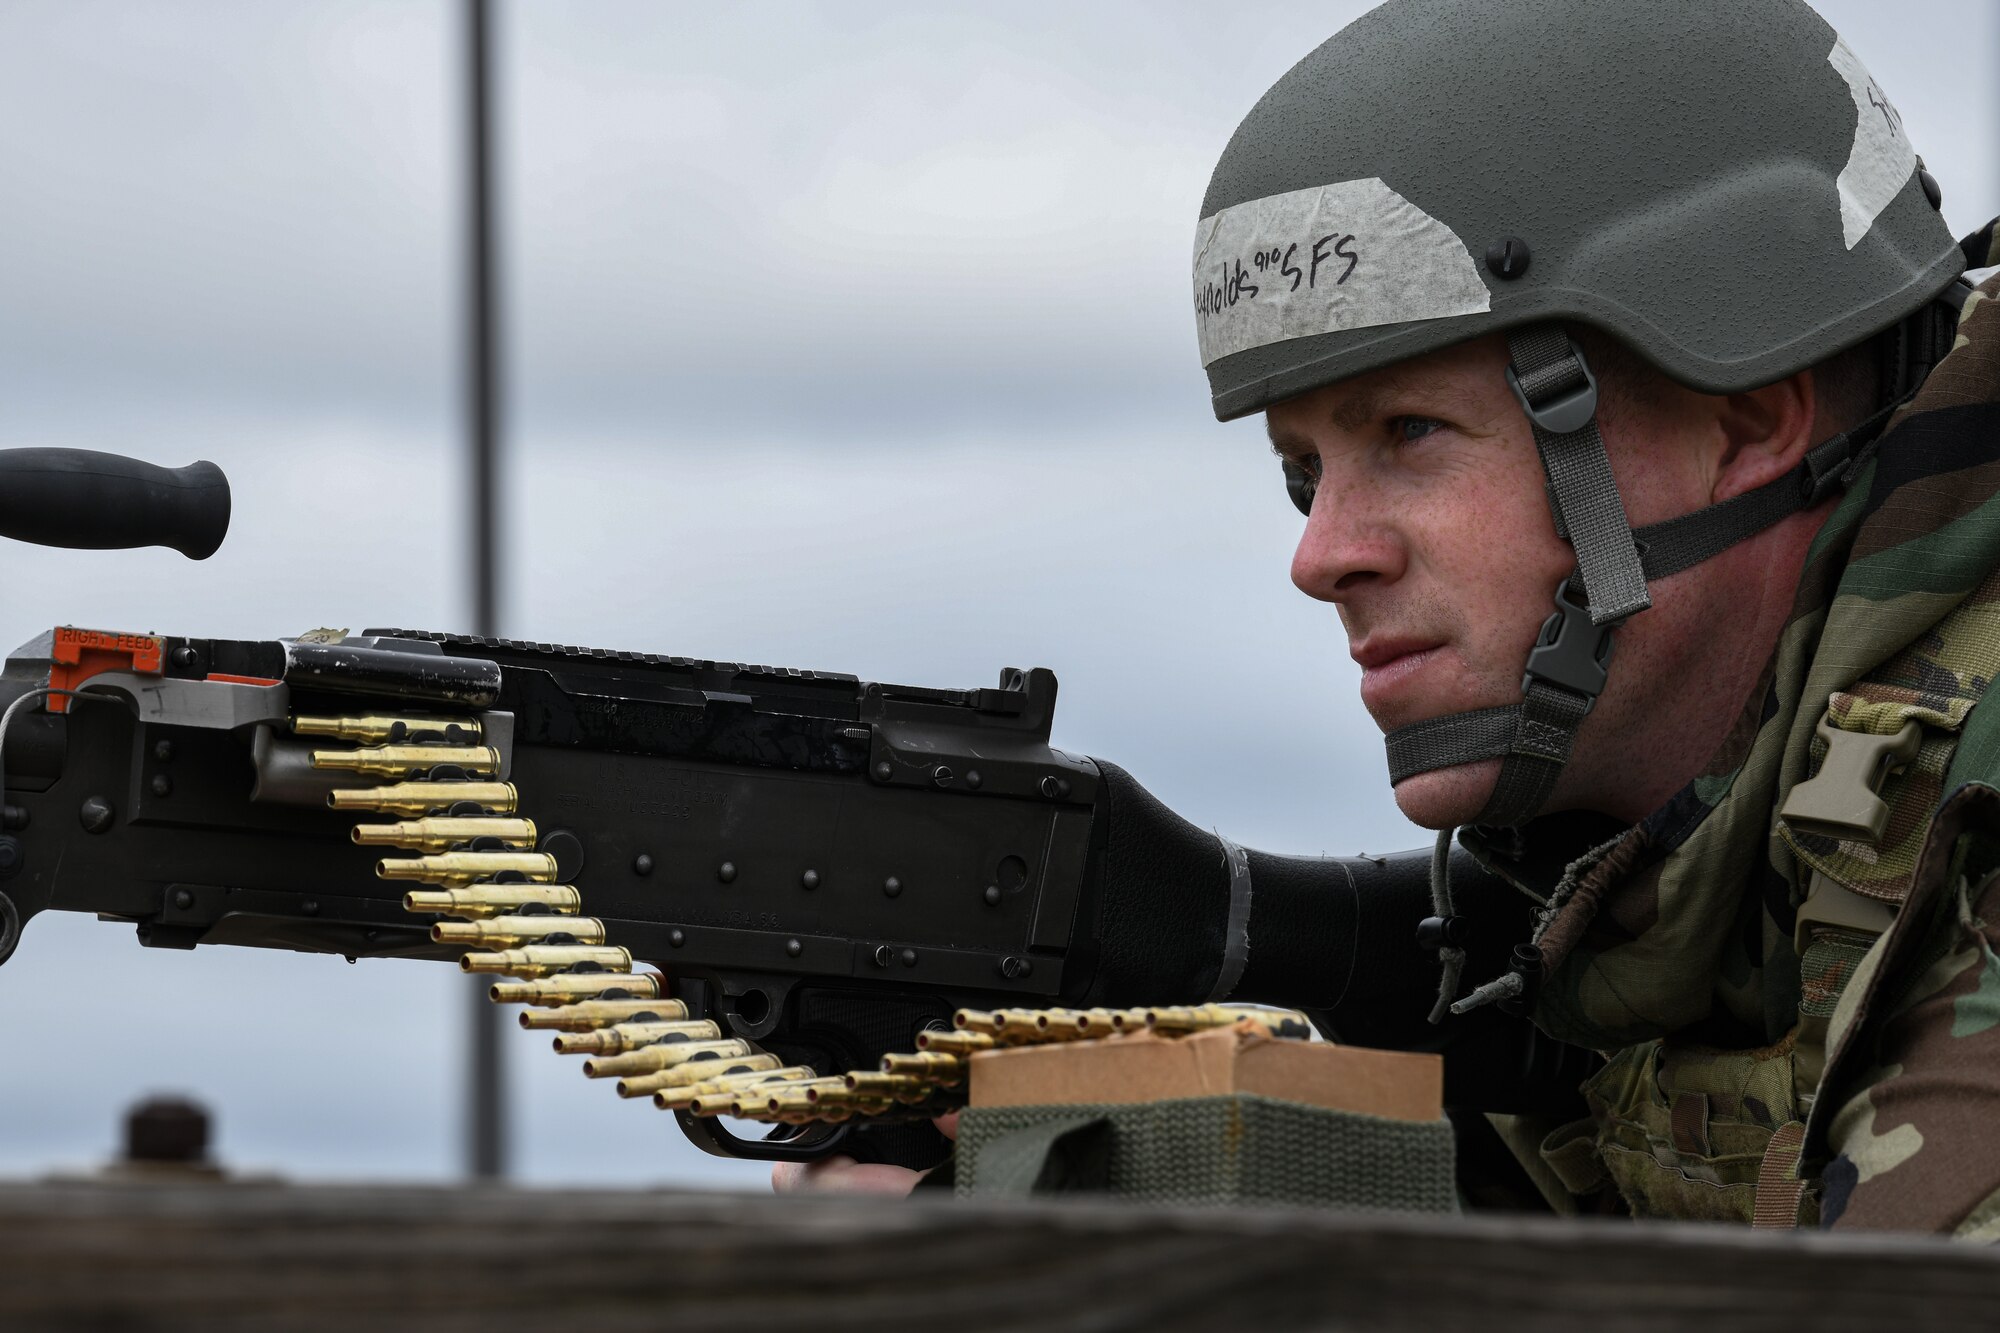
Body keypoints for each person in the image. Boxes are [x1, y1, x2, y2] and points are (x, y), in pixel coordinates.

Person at [781, 0, 2000, 1234]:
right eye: (1303, 471)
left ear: (1741, 420)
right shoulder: (1669, 879)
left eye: (1409, 433)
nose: (1321, 555)